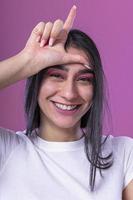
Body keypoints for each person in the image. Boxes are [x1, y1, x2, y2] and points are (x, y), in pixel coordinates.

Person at [0, 5, 133, 200]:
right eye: (56, 75)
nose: (69, 94)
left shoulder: (124, 154)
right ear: (36, 81)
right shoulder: (6, 149)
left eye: (84, 79)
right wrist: (27, 60)